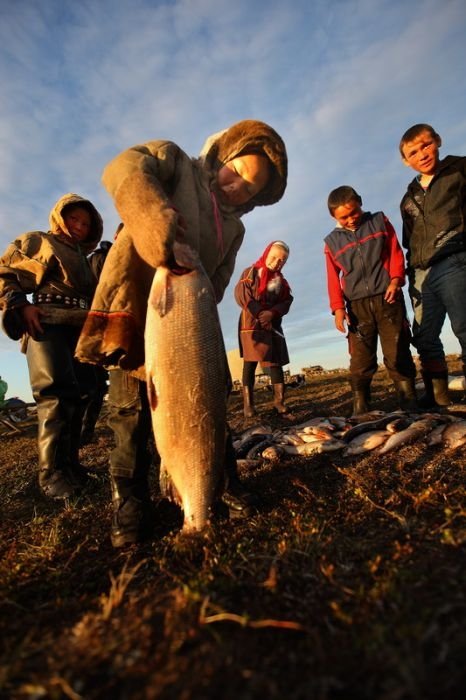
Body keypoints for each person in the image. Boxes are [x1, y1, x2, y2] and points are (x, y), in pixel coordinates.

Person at [75, 119, 288, 547]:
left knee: (207, 400)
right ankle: (130, 503)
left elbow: (222, 278)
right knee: (131, 411)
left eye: (249, 190)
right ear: (223, 155)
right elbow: (123, 168)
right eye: (237, 173)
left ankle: (219, 486)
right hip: (133, 305)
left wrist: (198, 298)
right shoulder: (175, 163)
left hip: (188, 316)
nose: (236, 189)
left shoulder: (236, 228)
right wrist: (159, 230)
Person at [0, 194, 103, 499]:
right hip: (47, 323)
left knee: (82, 395)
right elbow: (6, 273)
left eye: (85, 223)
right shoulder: (40, 242)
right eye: (74, 219)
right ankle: (51, 475)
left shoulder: (85, 260)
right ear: (60, 217)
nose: (79, 226)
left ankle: (71, 466)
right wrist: (21, 304)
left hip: (80, 328)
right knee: (55, 396)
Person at [324, 186, 417, 416]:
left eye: (353, 213)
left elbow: (395, 252)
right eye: (343, 217)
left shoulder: (379, 221)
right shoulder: (331, 242)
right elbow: (332, 278)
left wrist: (396, 280)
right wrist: (337, 308)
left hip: (388, 298)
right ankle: (361, 405)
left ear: (360, 203)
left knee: (397, 350)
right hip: (356, 307)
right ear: (334, 217)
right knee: (361, 358)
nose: (350, 220)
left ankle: (408, 399)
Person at [399, 123, 466, 408]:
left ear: (437, 141)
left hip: (455, 259)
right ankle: (438, 397)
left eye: (426, 145)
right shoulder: (408, 198)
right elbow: (409, 239)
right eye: (413, 152)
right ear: (406, 160)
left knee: (464, 326)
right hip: (421, 273)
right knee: (425, 336)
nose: (422, 154)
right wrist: (411, 271)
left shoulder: (459, 170)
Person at [234, 241, 293, 417]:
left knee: (275, 361)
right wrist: (260, 313)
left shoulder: (280, 281)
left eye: (282, 261)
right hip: (251, 323)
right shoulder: (250, 273)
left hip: (272, 323)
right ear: (266, 254)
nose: (276, 262)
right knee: (250, 362)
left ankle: (279, 402)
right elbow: (242, 295)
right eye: (273, 257)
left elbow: (286, 301)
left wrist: (272, 313)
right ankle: (248, 406)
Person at [80, 239, 113, 445]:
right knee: (95, 385)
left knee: (93, 384)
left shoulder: (91, 259)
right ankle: (84, 432)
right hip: (97, 326)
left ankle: (83, 433)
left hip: (90, 325)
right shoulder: (103, 259)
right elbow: (107, 292)